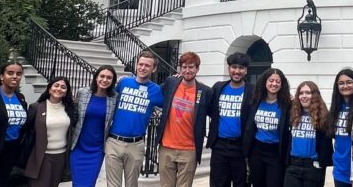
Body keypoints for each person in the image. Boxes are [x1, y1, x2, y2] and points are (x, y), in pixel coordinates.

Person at [105, 51, 165, 187]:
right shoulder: (123, 83)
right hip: (114, 142)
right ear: (136, 65)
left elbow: (170, 103)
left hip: (136, 145)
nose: (143, 68)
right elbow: (105, 94)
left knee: (132, 184)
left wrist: (180, 80)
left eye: (147, 66)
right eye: (140, 64)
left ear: (153, 68)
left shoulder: (156, 90)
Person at [157, 51, 213, 187]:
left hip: (189, 149)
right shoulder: (171, 82)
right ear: (180, 69)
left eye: (191, 67)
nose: (187, 70)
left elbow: (214, 115)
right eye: (184, 67)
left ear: (197, 69)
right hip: (167, 146)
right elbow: (153, 91)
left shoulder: (205, 91)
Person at [208, 52, 254, 187]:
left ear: (246, 71)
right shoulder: (218, 87)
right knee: (218, 183)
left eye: (241, 68)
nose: (237, 71)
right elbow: (209, 108)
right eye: (234, 67)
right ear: (229, 68)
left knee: (241, 184)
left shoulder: (253, 90)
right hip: (219, 146)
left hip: (241, 148)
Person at [23, 76, 77, 187]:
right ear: (49, 88)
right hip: (41, 157)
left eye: (63, 87)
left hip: (60, 157)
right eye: (56, 85)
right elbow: (26, 131)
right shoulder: (36, 107)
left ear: (66, 92)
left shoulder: (70, 109)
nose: (59, 89)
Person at [70, 65, 118, 187]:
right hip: (78, 147)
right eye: (102, 76)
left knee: (89, 183)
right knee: (77, 183)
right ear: (96, 77)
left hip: (96, 150)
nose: (105, 80)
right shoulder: (82, 93)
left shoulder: (114, 98)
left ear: (113, 81)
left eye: (109, 78)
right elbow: (73, 116)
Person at [244, 68, 292, 187]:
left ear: (282, 84)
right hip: (256, 151)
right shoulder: (256, 101)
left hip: (276, 153)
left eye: (278, 81)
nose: (274, 84)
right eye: (271, 80)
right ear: (265, 81)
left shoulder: (287, 104)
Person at [284, 81, 333, 187]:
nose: (304, 96)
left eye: (308, 93)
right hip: (293, 165)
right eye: (301, 93)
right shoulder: (292, 113)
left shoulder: (324, 116)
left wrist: (322, 163)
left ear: (314, 95)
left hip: (313, 166)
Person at [329, 69, 353, 187]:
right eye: (341, 83)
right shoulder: (335, 108)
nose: (345, 86)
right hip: (340, 170)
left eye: (349, 82)